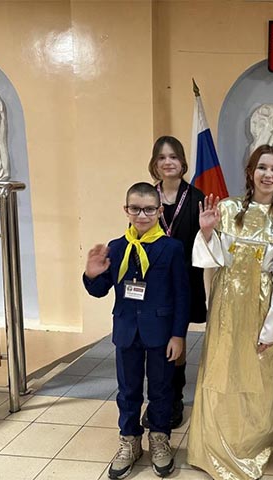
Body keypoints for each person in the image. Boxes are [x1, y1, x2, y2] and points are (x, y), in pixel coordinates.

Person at [186, 145, 273, 480]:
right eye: (262, 167)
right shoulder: (228, 208)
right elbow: (211, 257)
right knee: (220, 369)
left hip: (262, 305)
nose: (268, 174)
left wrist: (272, 329)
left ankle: (249, 445)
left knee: (255, 373)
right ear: (251, 172)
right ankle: (213, 446)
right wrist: (207, 232)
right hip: (227, 302)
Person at [83, 182, 189, 479]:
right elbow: (100, 290)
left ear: (160, 210)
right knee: (127, 390)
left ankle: (159, 439)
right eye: (136, 209)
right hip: (127, 330)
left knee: (161, 389)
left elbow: (182, 295)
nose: (142, 215)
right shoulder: (117, 247)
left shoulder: (171, 248)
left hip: (161, 333)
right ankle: (129, 441)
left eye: (149, 209)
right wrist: (91, 275)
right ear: (126, 210)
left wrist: (178, 335)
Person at [143, 135, 207, 429]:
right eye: (161, 157)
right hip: (154, 282)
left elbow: (206, 243)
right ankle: (158, 398)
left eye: (173, 157)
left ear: (182, 162)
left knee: (176, 338)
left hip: (185, 281)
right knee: (155, 341)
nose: (168, 162)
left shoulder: (197, 198)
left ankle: (175, 398)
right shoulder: (147, 198)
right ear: (154, 164)